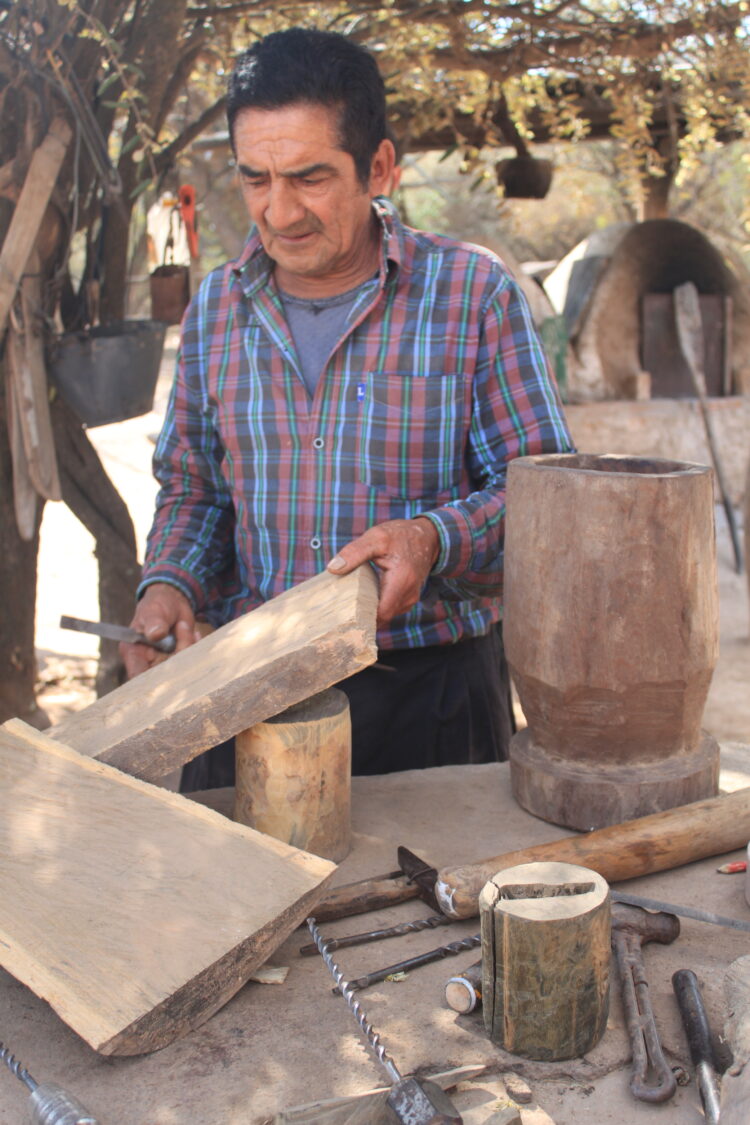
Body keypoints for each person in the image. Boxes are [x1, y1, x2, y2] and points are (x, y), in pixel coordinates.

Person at [122, 27, 573, 788]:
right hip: (244, 689)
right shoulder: (215, 310)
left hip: (431, 694)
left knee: (438, 901)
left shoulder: (471, 296)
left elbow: (549, 495)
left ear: (380, 167)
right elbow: (195, 488)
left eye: (309, 177)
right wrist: (169, 583)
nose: (279, 211)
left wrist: (434, 538)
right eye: (255, 179)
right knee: (246, 901)